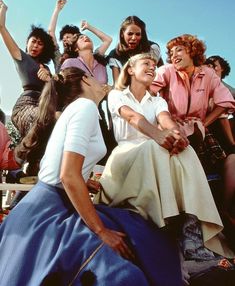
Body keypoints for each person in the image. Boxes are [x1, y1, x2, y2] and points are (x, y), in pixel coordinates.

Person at [0, 67, 182, 286]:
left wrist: (85, 181)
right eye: (95, 78)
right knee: (122, 267)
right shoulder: (84, 107)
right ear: (86, 80)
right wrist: (100, 231)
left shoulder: (79, 109)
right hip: (49, 210)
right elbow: (68, 175)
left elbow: (58, 167)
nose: (101, 82)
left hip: (48, 201)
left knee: (131, 228)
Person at [95, 53, 234, 262]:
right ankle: (168, 225)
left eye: (154, 64)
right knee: (155, 147)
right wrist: (158, 135)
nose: (152, 67)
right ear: (131, 70)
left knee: (185, 150)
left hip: (154, 148)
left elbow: (165, 119)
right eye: (146, 64)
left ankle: (191, 227)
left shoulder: (157, 100)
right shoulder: (117, 95)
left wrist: (176, 135)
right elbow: (133, 117)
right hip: (126, 153)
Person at [150, 34, 235, 250]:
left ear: (192, 51)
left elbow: (226, 101)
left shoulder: (207, 74)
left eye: (179, 50)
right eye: (170, 52)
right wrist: (166, 119)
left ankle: (222, 212)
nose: (173, 55)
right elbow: (148, 91)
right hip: (174, 129)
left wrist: (205, 123)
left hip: (199, 131)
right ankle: (180, 226)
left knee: (230, 162)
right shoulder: (166, 70)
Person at [61, 21, 116, 164]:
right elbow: (64, 90)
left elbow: (108, 39)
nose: (85, 38)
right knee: (82, 148)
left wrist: (89, 27)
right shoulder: (70, 63)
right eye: (80, 38)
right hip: (77, 108)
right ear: (75, 48)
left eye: (87, 37)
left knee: (106, 148)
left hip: (98, 110)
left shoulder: (101, 64)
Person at [0, 0, 55, 139]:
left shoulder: (46, 68)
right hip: (26, 106)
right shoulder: (21, 57)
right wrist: (4, 10)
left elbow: (56, 90)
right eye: (33, 41)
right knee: (42, 124)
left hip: (44, 105)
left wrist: (49, 80)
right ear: (27, 42)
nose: (36, 45)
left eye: (40, 43)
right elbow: (1, 27)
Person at [108, 15, 164, 84]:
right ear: (122, 34)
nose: (134, 38)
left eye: (138, 34)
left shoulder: (152, 48)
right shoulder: (114, 55)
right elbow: (117, 83)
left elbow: (161, 73)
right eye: (130, 34)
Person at [205, 56, 235, 152]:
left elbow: (224, 115)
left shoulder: (231, 91)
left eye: (215, 65)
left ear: (222, 68)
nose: (212, 67)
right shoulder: (202, 84)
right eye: (209, 65)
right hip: (205, 123)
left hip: (222, 124)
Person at [48, 0, 81, 72]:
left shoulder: (85, 56)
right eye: (63, 39)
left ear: (76, 37)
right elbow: (51, 32)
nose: (65, 40)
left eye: (68, 37)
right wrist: (57, 9)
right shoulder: (59, 58)